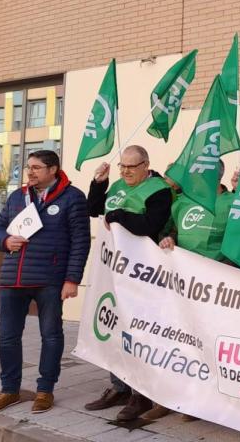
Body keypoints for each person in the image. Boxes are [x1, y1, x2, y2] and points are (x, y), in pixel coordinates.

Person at [0, 150, 90, 415]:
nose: (30, 172)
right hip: (12, 279)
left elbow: (81, 241)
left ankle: (45, 390)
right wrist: (4, 241)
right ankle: (9, 390)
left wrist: (72, 279)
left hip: (50, 280)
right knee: (7, 338)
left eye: (37, 168)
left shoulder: (72, 198)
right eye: (28, 167)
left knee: (51, 336)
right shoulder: (18, 197)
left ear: (53, 170)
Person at [83, 145, 172, 422]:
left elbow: (149, 224)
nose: (125, 171)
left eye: (132, 167)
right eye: (122, 166)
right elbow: (95, 209)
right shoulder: (120, 184)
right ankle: (119, 386)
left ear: (146, 165)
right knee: (114, 329)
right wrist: (99, 184)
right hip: (113, 271)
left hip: (142, 275)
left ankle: (140, 394)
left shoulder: (158, 190)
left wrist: (118, 215)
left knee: (137, 333)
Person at [159, 161, 233, 262]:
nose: (192, 178)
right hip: (180, 269)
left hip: (216, 272)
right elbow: (170, 231)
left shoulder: (234, 204)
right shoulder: (182, 201)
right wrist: (169, 240)